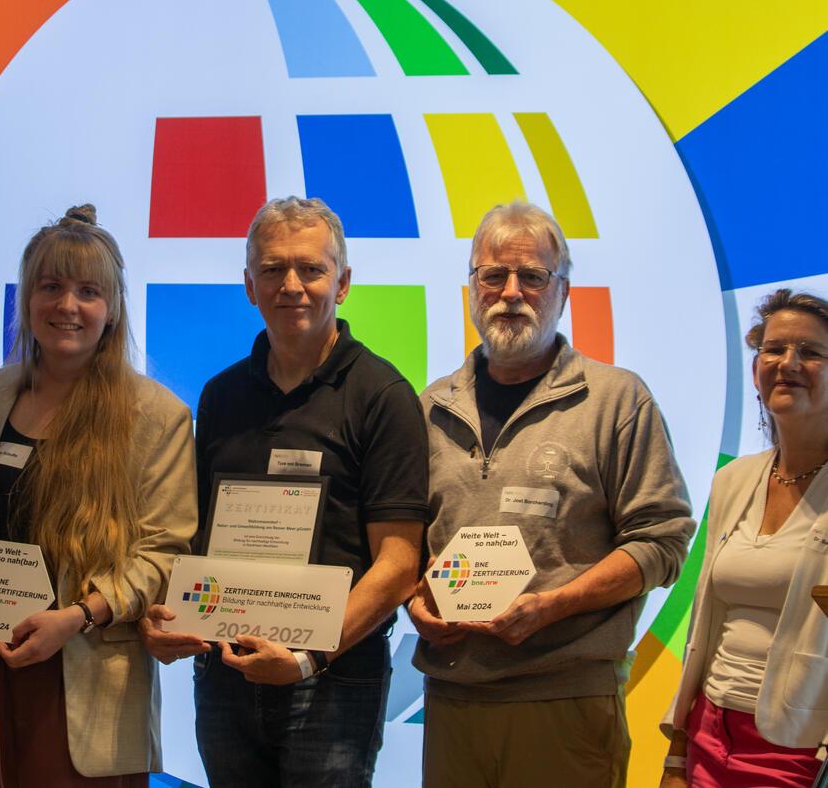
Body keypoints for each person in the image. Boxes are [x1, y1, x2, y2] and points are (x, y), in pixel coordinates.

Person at [140, 196, 427, 788]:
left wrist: (306, 657)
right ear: (249, 285)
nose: (291, 285)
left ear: (343, 284)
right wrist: (166, 617)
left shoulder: (383, 395)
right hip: (225, 669)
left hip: (333, 677)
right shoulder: (220, 396)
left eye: (311, 269)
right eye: (272, 269)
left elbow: (399, 564)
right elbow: (195, 537)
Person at [407, 200, 694, 788]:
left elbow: (662, 542)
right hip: (453, 697)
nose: (510, 292)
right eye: (493, 275)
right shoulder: (431, 408)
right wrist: (413, 601)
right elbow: (406, 540)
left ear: (563, 291)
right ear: (470, 288)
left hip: (565, 700)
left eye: (532, 277)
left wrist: (552, 606)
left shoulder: (617, 400)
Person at [0, 204, 197, 786]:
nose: (67, 306)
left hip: (90, 680)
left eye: (87, 291)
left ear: (112, 309)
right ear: (27, 298)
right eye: (50, 287)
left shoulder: (157, 416)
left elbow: (164, 554)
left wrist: (75, 617)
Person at [659, 289, 828, 788]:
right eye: (773, 349)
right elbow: (704, 630)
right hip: (710, 734)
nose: (788, 363)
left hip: (802, 751)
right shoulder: (733, 480)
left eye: (812, 352)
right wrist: (677, 751)